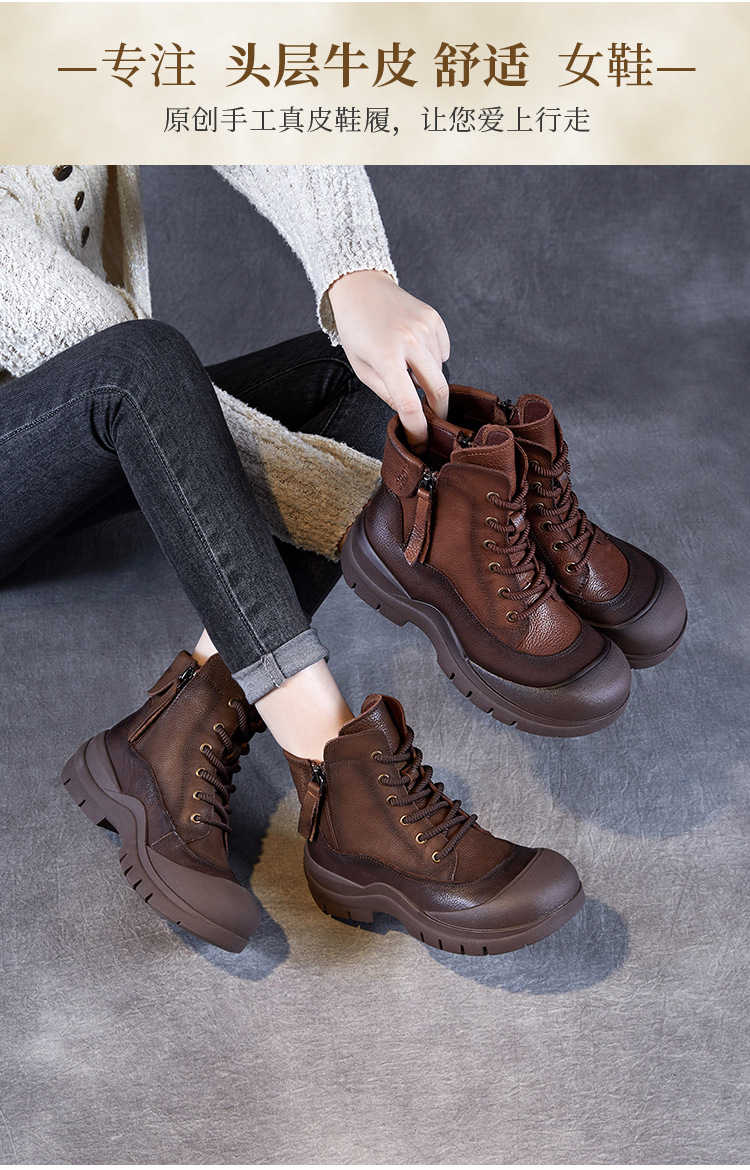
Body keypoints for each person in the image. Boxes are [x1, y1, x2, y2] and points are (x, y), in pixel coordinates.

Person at [0, 164, 585, 958]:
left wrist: (356, 278)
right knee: (140, 367)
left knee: (382, 381)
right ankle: (338, 778)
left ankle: (178, 725)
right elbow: (91, 354)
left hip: (77, 424)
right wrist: (398, 529)